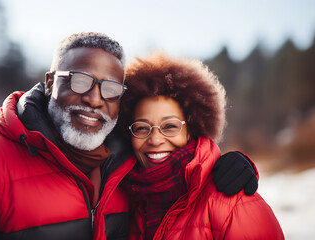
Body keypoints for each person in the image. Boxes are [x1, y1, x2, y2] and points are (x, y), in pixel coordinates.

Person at [0, 32, 257, 240]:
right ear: (49, 83)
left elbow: (181, 172)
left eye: (110, 89)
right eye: (80, 81)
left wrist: (226, 165)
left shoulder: (129, 163)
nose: (95, 99)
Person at [119, 51, 284, 239]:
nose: (155, 140)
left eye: (170, 126)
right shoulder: (125, 199)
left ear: (192, 129)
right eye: (141, 128)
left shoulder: (231, 199)